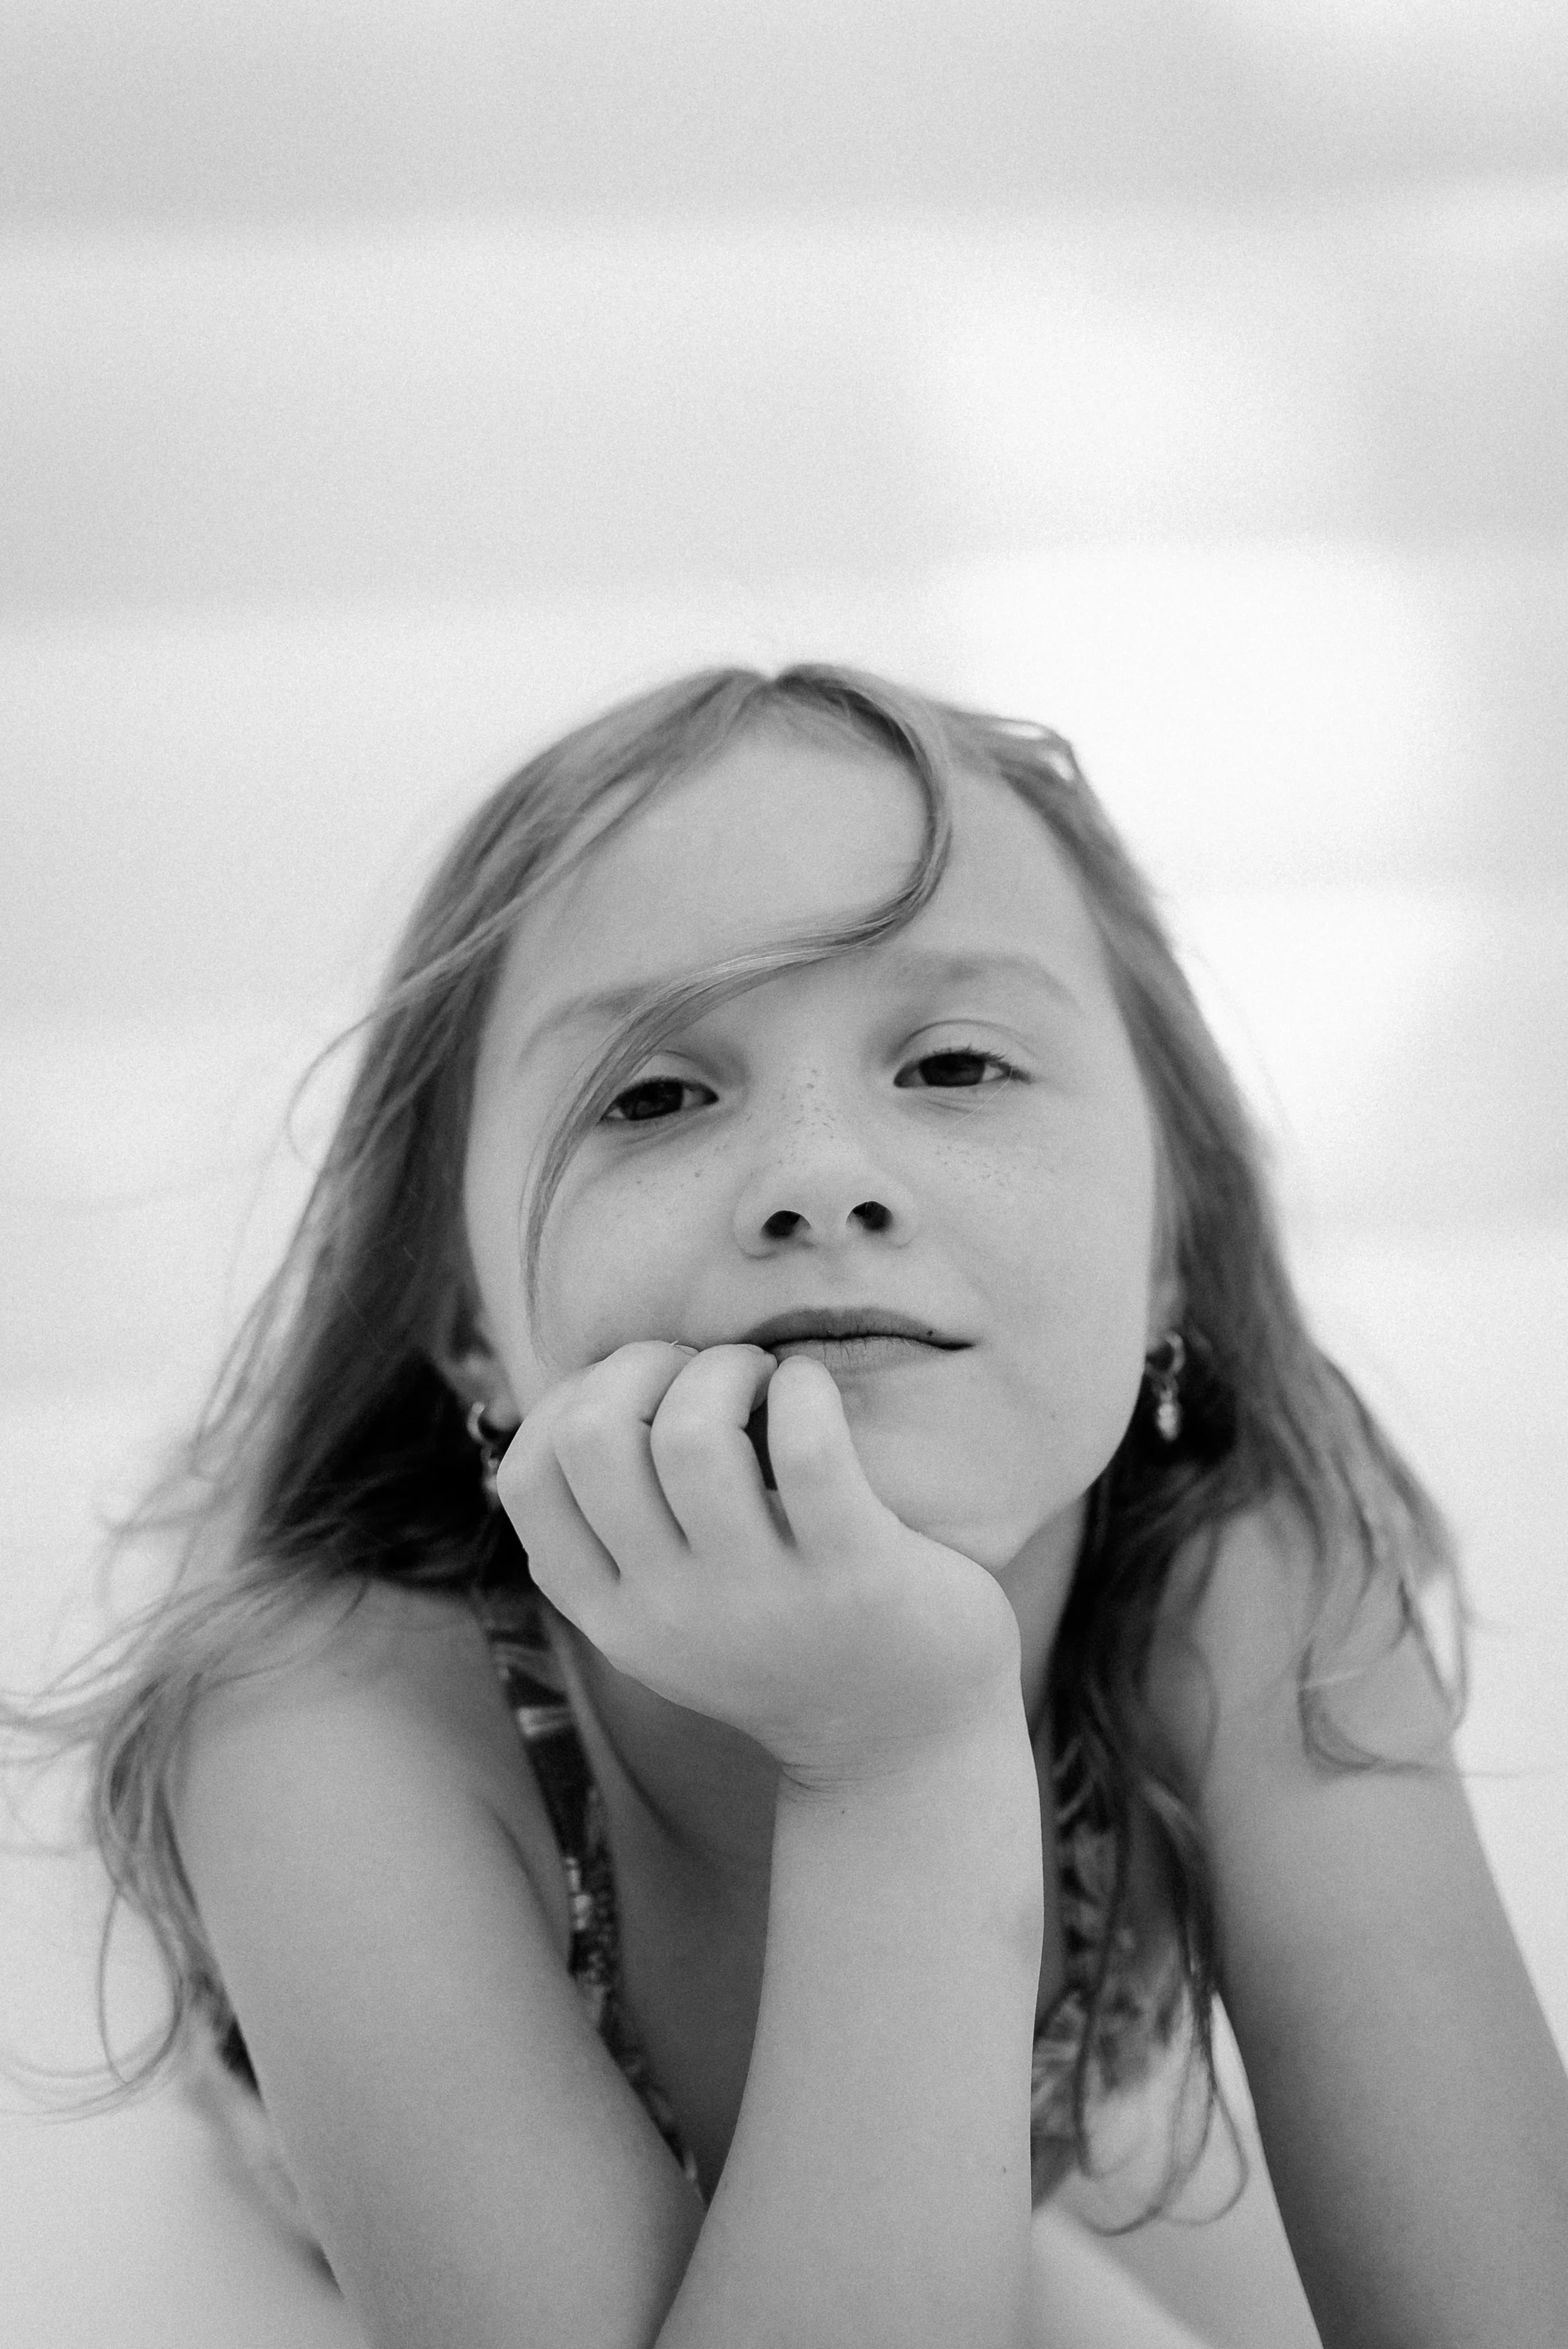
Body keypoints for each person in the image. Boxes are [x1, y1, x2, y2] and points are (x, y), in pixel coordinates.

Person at [9, 664, 1567, 2349]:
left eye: (958, 1063)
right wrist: (895, 1757)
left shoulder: (1249, 1579)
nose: (823, 1175)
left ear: (1166, 1251)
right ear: (472, 1328)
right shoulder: (327, 1732)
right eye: (656, 1096)